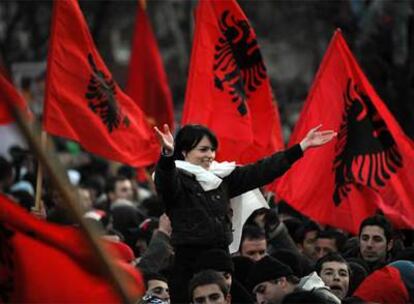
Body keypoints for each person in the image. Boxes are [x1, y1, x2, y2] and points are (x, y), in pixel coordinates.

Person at [154, 123, 336, 302]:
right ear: (185, 152)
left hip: (222, 264)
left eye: (212, 150)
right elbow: (166, 180)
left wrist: (301, 147)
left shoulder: (221, 177)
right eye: (203, 150)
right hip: (189, 266)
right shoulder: (175, 178)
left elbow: (261, 171)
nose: (210, 155)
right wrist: (167, 155)